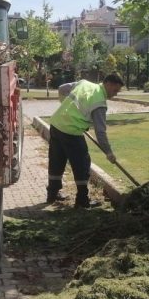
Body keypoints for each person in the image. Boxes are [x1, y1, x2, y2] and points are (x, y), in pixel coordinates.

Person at [47, 74, 124, 208]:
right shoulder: (99, 102)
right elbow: (100, 132)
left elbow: (61, 89)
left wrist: (67, 108)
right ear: (108, 84)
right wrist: (108, 152)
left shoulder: (84, 83)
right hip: (72, 132)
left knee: (56, 160)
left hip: (56, 125)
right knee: (82, 164)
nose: (115, 94)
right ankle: (82, 200)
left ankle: (52, 194)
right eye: (115, 90)